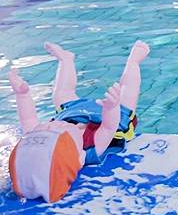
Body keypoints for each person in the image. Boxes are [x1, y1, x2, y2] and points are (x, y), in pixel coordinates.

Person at [8, 40, 149, 202]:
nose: (54, 124)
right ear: (79, 156)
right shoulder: (90, 147)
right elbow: (109, 127)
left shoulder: (44, 134)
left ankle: (66, 60)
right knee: (127, 90)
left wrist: (22, 94)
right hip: (114, 114)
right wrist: (112, 107)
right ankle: (134, 61)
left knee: (61, 95)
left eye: (46, 126)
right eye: (58, 131)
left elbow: (28, 118)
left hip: (72, 113)